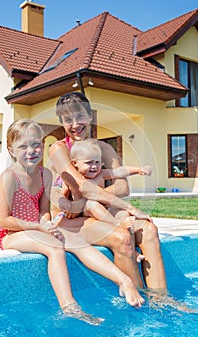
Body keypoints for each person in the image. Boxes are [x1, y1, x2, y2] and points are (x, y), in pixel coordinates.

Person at [0, 119, 145, 326]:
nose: (31, 150)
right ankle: (69, 306)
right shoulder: (8, 177)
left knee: (77, 241)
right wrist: (40, 227)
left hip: (37, 228)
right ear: (11, 150)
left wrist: (48, 224)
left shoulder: (44, 174)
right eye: (23, 146)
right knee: (56, 247)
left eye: (36, 144)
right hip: (11, 234)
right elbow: (4, 221)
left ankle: (124, 281)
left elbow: (43, 211)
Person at [49, 92, 167, 291]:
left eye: (80, 116)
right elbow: (81, 186)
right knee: (122, 237)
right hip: (69, 218)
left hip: (99, 211)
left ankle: (160, 300)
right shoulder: (58, 149)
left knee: (149, 229)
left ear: (90, 116)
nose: (75, 124)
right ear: (61, 122)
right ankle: (139, 304)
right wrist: (126, 206)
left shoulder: (103, 148)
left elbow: (123, 187)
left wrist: (92, 197)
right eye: (67, 119)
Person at [56, 138, 152, 262]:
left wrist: (138, 169)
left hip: (101, 211)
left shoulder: (101, 174)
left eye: (97, 162)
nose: (94, 166)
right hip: (81, 213)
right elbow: (62, 195)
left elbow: (119, 171)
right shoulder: (73, 179)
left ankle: (132, 249)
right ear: (75, 164)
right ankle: (117, 226)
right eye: (89, 162)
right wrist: (64, 202)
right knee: (91, 203)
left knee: (124, 214)